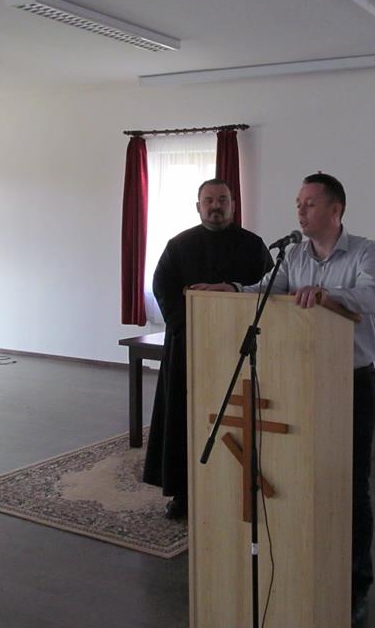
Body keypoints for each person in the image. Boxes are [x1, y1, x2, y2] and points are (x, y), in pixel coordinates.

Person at [194, 172, 375, 628]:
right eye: (298, 202)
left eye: (310, 203)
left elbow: (371, 298)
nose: (300, 210)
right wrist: (231, 291)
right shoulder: (294, 255)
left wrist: (327, 295)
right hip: (300, 381)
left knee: (351, 482)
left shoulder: (366, 252)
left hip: (351, 380)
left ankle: (355, 586)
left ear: (336, 209)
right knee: (303, 475)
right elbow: (266, 291)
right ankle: (307, 566)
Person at [142, 179, 273, 520]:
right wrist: (189, 327)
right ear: (198, 206)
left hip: (238, 349)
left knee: (237, 422)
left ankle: (234, 491)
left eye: (223, 200)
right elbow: (162, 286)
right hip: (189, 348)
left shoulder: (253, 246)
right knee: (185, 420)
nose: (216, 206)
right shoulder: (179, 245)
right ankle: (183, 494)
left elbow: (269, 290)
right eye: (209, 200)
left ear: (233, 205)